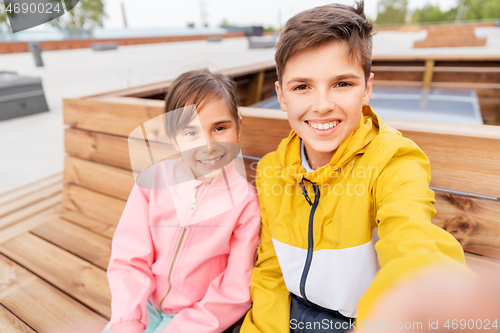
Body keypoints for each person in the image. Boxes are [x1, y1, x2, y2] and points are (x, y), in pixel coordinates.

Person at [239, 2, 470, 332]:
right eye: (302, 86)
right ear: (281, 94)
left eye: (342, 84)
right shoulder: (272, 169)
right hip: (287, 313)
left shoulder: (393, 161)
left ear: (367, 87)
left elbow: (413, 241)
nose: (322, 105)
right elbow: (270, 270)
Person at [102, 69, 261, 333]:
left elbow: (234, 288)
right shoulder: (153, 182)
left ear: (238, 128)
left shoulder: (245, 203)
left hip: (198, 319)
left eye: (220, 128)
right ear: (173, 137)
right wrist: (128, 321)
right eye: (191, 133)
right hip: (143, 307)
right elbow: (129, 257)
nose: (208, 145)